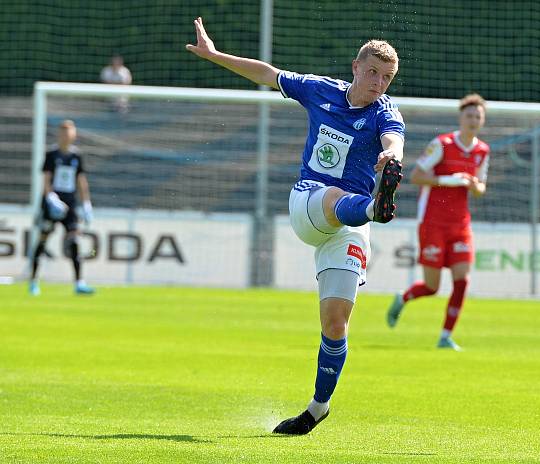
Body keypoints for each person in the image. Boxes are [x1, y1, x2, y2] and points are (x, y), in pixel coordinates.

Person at [186, 17, 404, 435]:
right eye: (373, 72)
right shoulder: (321, 90)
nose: (379, 83)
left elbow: (395, 139)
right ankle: (374, 208)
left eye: (387, 77)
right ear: (356, 67)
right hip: (310, 201)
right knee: (335, 199)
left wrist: (390, 157)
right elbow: (268, 74)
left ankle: (317, 408)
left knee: (335, 323)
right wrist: (214, 56)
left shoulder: (386, 113)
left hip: (350, 226)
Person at [386, 94, 490, 351]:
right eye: (469, 116)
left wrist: (474, 185)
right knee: (432, 287)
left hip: (460, 225)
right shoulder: (442, 144)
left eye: (478, 116)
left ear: (482, 120)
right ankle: (403, 297)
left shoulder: (482, 151)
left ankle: (445, 336)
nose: (473, 120)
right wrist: (449, 180)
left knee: (462, 280)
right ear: (461, 118)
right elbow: (417, 176)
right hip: (433, 222)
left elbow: (480, 188)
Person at [29, 119, 95, 296]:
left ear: (74, 135)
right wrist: (50, 197)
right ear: (59, 134)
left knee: (74, 242)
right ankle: (34, 281)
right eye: (64, 132)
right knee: (43, 240)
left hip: (70, 205)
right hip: (52, 204)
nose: (66, 135)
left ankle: (79, 283)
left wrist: (86, 204)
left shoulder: (76, 156)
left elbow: (81, 181)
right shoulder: (51, 154)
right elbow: (46, 179)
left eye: (70, 132)